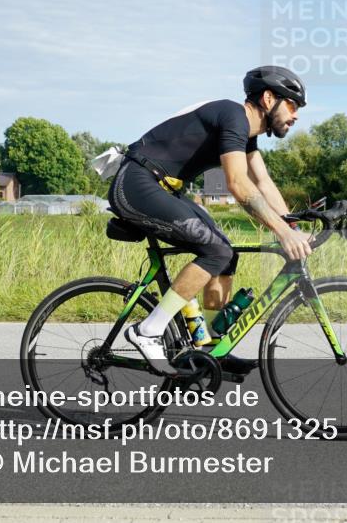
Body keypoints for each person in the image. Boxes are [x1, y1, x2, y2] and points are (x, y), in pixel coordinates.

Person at [108, 66, 312, 374]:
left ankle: (209, 346)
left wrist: (294, 229)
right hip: (136, 183)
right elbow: (238, 184)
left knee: (225, 254)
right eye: (293, 105)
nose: (296, 115)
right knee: (216, 251)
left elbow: (264, 184)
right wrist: (282, 232)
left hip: (163, 189)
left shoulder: (245, 135)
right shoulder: (233, 116)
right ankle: (147, 331)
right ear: (269, 98)